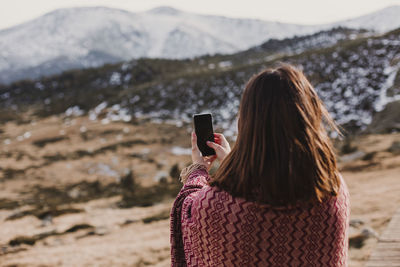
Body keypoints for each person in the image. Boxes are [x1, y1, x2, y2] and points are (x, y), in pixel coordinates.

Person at [170, 64, 350, 266]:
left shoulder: (221, 206)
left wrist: (198, 170)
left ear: (247, 121)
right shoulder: (332, 189)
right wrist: (231, 161)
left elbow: (188, 210)